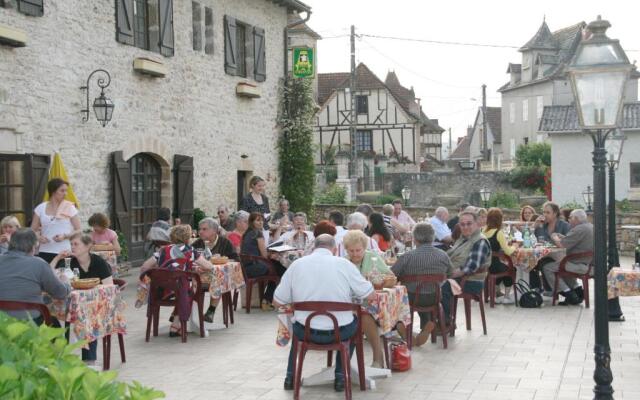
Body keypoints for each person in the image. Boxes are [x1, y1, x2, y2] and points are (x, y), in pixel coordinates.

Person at [273, 234, 376, 392]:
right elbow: (370, 295)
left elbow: (277, 302)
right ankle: (341, 377)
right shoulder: (345, 264)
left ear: (314, 247)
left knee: (298, 325)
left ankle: (290, 377)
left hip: (306, 332)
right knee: (356, 326)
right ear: (334, 249)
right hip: (340, 332)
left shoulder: (297, 265)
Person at [140, 224, 215, 336]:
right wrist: (195, 267)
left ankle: (175, 325)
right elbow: (209, 267)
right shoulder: (189, 250)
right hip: (180, 289)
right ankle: (177, 325)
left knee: (183, 290)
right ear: (187, 238)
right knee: (190, 292)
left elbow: (145, 266)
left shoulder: (163, 250)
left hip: (162, 290)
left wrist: (158, 271)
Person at [50, 233, 113, 365]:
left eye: (76, 244)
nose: (72, 247)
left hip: (98, 306)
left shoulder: (98, 262)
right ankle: (61, 353)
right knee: (50, 313)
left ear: (88, 246)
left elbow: (109, 286)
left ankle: (89, 360)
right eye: (71, 244)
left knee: (88, 316)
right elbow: (49, 275)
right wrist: (57, 257)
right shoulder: (69, 262)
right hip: (73, 305)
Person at [391, 223, 452, 346]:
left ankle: (400, 325)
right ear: (433, 237)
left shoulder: (407, 256)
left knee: (399, 295)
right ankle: (426, 325)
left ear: (415, 238)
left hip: (411, 298)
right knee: (425, 291)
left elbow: (392, 274)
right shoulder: (443, 255)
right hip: (434, 296)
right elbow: (450, 272)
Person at [343, 230, 396, 368]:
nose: (355, 254)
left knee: (365, 315)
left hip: (372, 304)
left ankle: (378, 358)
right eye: (351, 250)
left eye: (358, 250)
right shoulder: (343, 261)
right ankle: (342, 364)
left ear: (364, 248)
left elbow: (390, 277)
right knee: (360, 313)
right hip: (347, 305)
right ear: (346, 249)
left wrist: (377, 279)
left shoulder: (372, 257)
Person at [0, 228, 71, 325]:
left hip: (2, 323)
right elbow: (60, 293)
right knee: (55, 325)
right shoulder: (38, 263)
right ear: (33, 246)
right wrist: (66, 282)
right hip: (30, 323)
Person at [441, 211, 491, 323]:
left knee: (442, 286)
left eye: (469, 223)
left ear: (477, 223)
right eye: (462, 224)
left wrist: (446, 275)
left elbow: (469, 267)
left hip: (471, 282)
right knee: (427, 284)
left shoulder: (480, 241)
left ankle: (446, 322)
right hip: (457, 278)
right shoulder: (462, 239)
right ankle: (430, 322)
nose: (465, 227)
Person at [191, 217, 238, 322]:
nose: (200, 232)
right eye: (200, 229)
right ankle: (182, 313)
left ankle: (210, 311)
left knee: (218, 279)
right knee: (186, 283)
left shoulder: (225, 243)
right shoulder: (198, 243)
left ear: (214, 230)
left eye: (204, 229)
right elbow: (188, 257)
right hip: (197, 279)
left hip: (219, 279)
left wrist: (222, 259)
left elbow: (235, 259)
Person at [543, 209, 593, 305]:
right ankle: (578, 291)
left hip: (580, 265)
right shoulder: (590, 226)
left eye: (570, 217)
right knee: (561, 265)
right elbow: (570, 240)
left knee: (547, 267)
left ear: (576, 218)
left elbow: (562, 245)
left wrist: (554, 237)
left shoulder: (579, 229)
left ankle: (568, 293)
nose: (568, 219)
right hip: (589, 264)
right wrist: (562, 237)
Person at [31, 178, 81, 267]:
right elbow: (32, 230)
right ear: (53, 191)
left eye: (66, 191)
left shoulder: (70, 207)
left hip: (64, 252)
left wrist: (65, 236)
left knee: (63, 278)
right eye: (62, 191)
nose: (65, 193)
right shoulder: (40, 208)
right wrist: (39, 237)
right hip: (45, 251)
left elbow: (79, 230)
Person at [241, 212, 286, 310]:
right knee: (282, 269)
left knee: (278, 269)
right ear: (251, 222)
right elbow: (264, 255)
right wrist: (273, 252)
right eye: (258, 220)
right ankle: (269, 300)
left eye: (262, 220)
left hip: (246, 268)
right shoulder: (257, 233)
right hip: (255, 267)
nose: (261, 222)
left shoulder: (247, 233)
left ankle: (267, 299)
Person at [531, 202, 570, 292]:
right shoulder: (541, 225)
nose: (545, 215)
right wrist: (534, 226)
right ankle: (536, 288)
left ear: (555, 213)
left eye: (548, 212)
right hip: (544, 255)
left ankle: (549, 290)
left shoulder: (564, 225)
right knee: (529, 263)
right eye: (544, 212)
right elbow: (527, 239)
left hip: (560, 257)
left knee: (544, 263)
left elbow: (569, 243)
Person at [482, 208, 518, 304]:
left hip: (485, 265)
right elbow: (508, 251)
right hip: (495, 265)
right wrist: (514, 246)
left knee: (503, 267)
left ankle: (496, 294)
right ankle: (506, 297)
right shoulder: (498, 233)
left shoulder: (482, 231)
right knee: (512, 269)